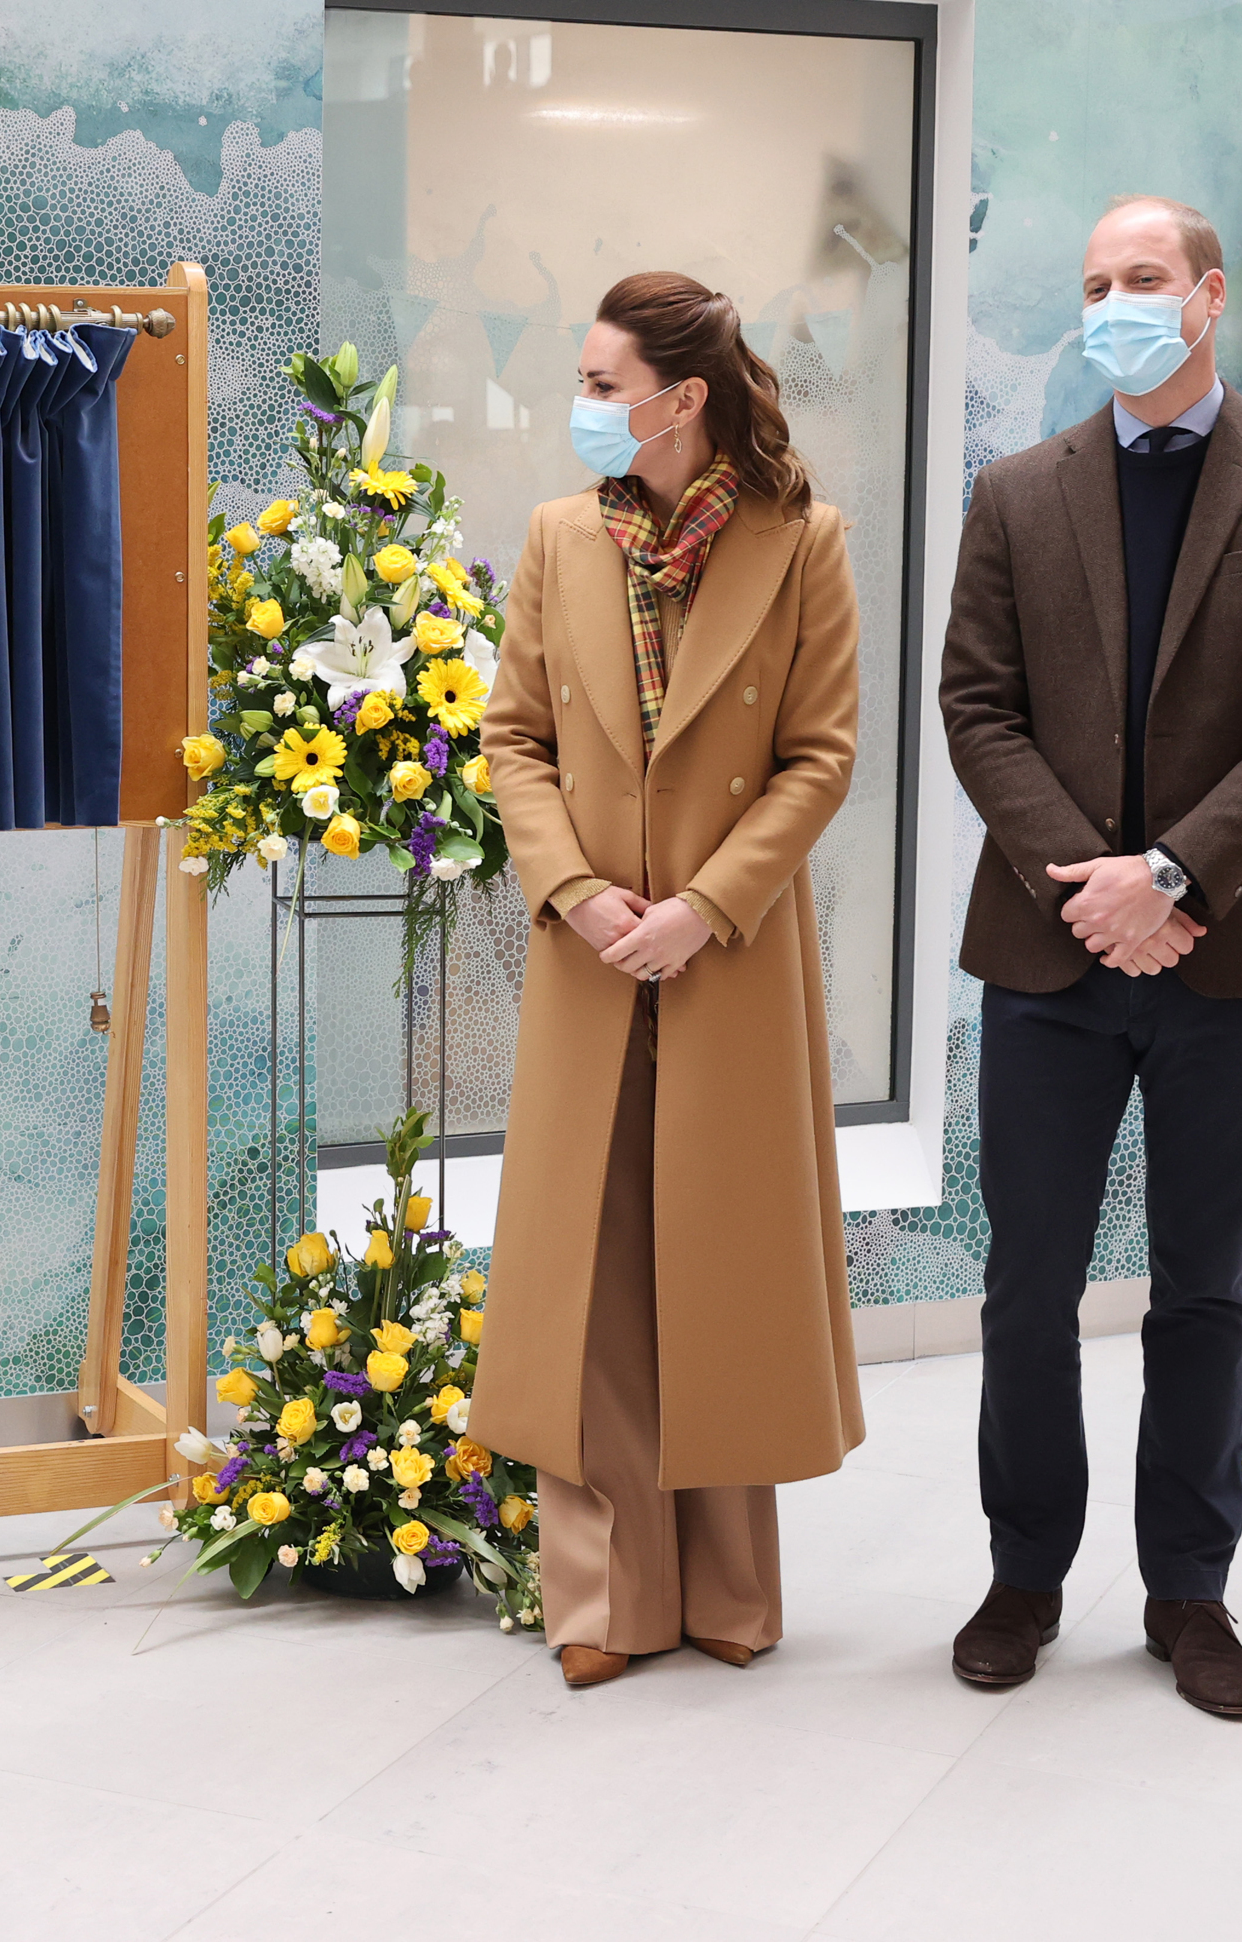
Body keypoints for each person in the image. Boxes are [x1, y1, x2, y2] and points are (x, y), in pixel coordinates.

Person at [937, 194, 1242, 1720]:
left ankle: (1189, 1591)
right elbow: (977, 708)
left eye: (1143, 278)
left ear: (1207, 296)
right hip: (1053, 955)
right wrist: (1096, 886)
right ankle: (1024, 1569)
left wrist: (1177, 874)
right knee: (1025, 1288)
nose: (1115, 302)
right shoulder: (1014, 492)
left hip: (1232, 946)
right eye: (1093, 284)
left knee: (1205, 1289)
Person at [467, 271, 864, 1688]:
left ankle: (728, 1590)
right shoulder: (555, 539)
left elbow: (822, 755)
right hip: (589, 960)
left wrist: (706, 905)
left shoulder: (800, 540)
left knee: (721, 1262)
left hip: (728, 958)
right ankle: (600, 1600)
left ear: (681, 398)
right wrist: (572, 892)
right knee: (592, 1274)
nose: (579, 406)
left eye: (598, 382)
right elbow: (510, 738)